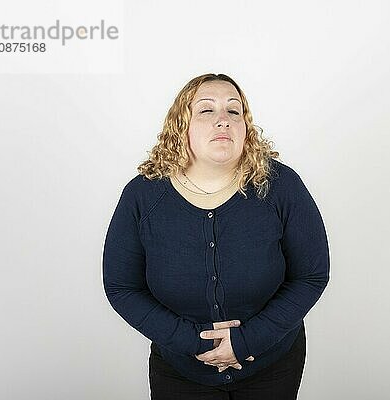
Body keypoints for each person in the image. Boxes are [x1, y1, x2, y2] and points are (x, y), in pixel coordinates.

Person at [102, 73, 330, 399]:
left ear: (246, 127)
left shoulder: (281, 185)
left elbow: (311, 275)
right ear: (182, 126)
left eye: (234, 111)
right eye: (206, 110)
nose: (223, 120)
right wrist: (195, 342)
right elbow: (121, 287)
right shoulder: (143, 195)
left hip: (272, 366)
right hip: (180, 371)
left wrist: (247, 341)